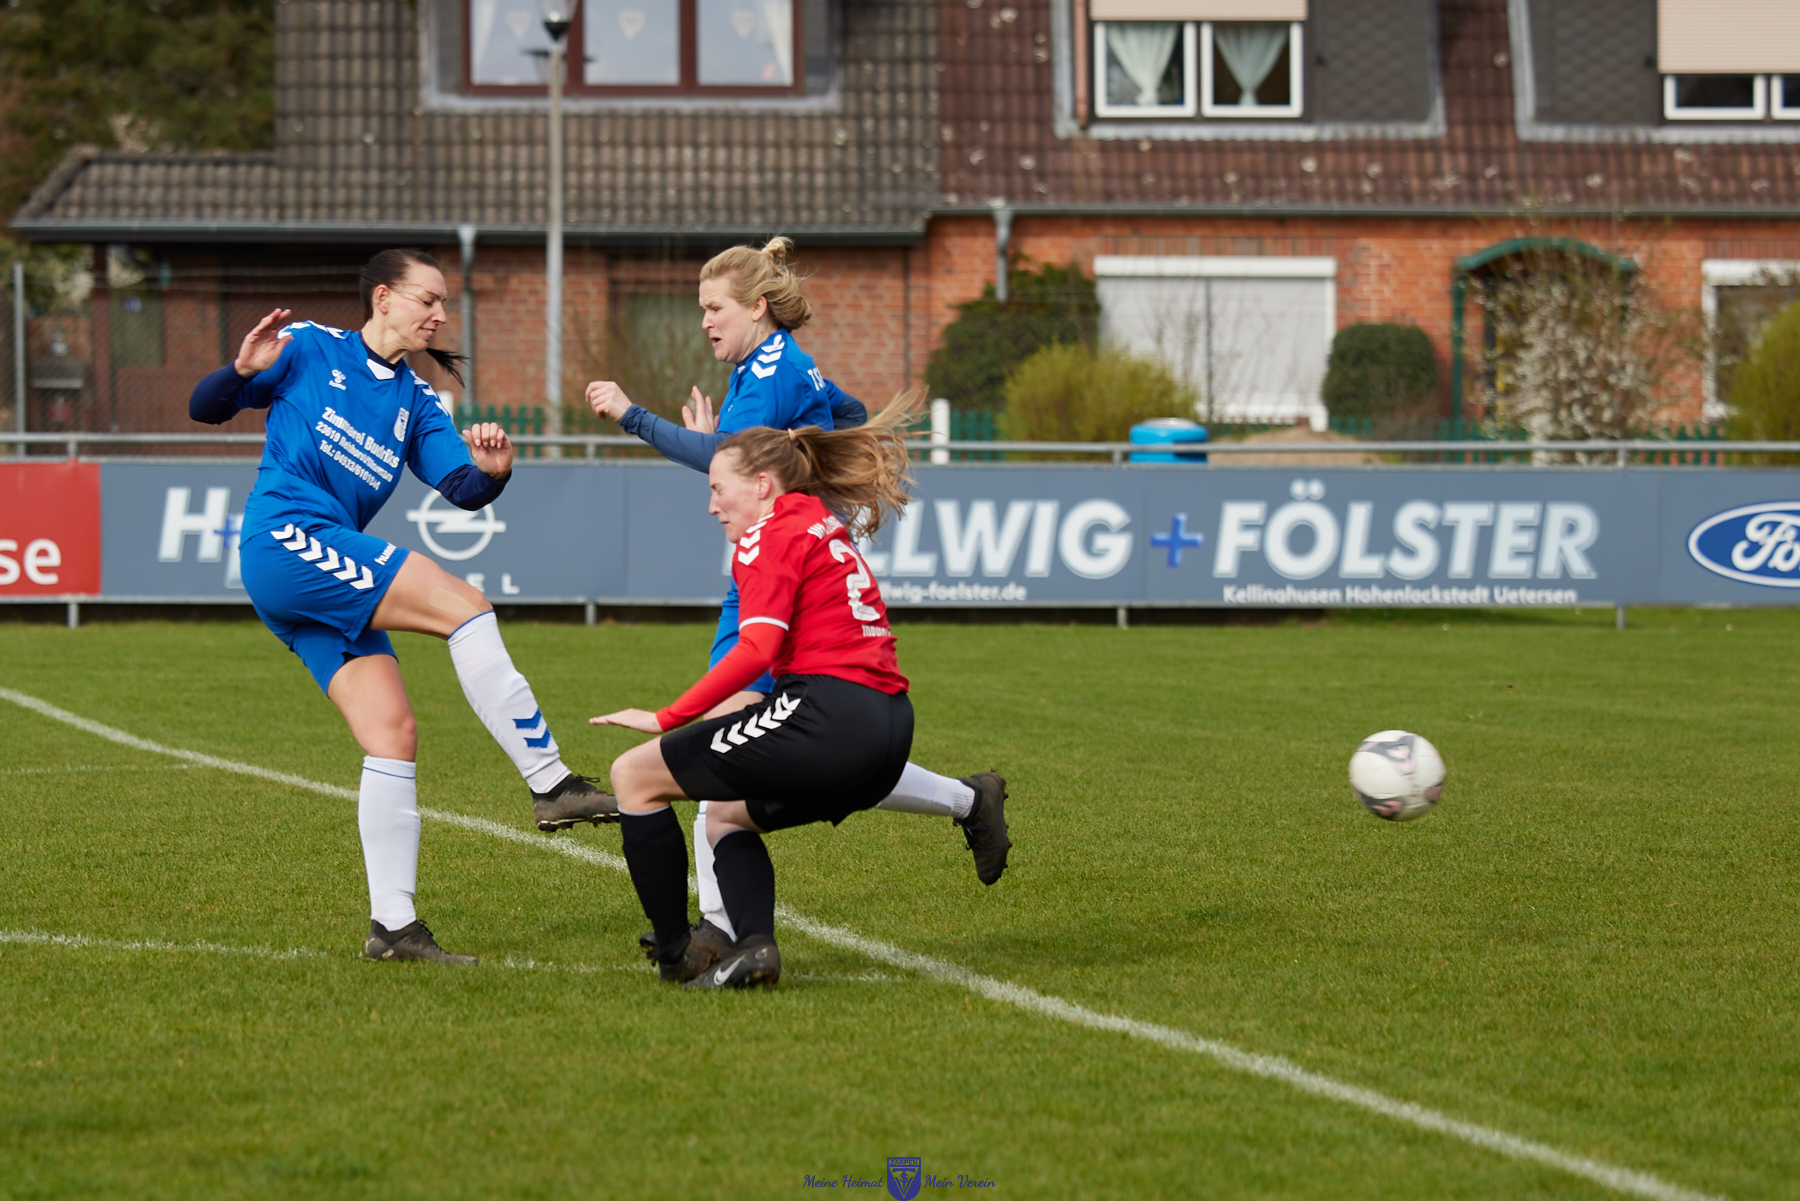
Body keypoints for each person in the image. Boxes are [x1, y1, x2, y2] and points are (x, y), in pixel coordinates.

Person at [581, 237, 1009, 970]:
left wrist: (634, 415)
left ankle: (713, 928)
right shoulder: (784, 366)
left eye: (714, 308)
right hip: (811, 583)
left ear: (756, 307)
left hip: (780, 569)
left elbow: (726, 458)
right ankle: (968, 801)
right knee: (767, 740)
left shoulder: (767, 379)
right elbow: (849, 412)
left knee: (719, 736)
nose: (705, 322)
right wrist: (784, 459)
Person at [187, 247, 614, 965]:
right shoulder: (310, 347)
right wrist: (240, 369)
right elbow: (206, 408)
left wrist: (495, 472)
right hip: (287, 538)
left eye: (443, 303)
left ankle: (394, 929)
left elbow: (463, 488)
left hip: (312, 567)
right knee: (465, 606)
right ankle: (551, 781)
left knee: (392, 734)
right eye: (428, 299)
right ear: (383, 298)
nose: (440, 314)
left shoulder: (417, 400)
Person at [592, 406, 929, 988]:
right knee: (725, 816)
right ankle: (753, 947)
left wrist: (667, 716)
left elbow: (756, 649)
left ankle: (676, 955)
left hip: (830, 715)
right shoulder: (817, 519)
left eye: (718, 488)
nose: (712, 505)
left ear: (762, 485)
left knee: (633, 776)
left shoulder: (765, 535)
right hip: (891, 726)